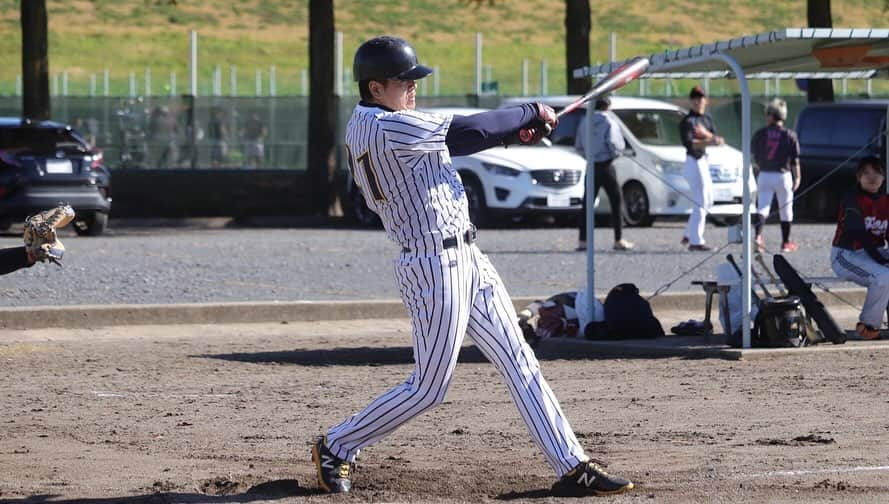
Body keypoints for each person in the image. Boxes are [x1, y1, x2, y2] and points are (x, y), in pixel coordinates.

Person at [311, 35, 634, 497]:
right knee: (429, 388)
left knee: (520, 360)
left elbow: (461, 140)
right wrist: (529, 111)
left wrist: (513, 132)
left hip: (468, 257)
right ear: (375, 87)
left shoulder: (389, 119)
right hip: (430, 264)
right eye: (404, 82)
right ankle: (338, 444)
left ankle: (572, 463)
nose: (413, 88)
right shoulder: (381, 127)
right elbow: (463, 131)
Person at [830, 156, 889, 340]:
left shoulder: (886, 201)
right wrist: (884, 261)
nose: (872, 177)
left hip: (873, 254)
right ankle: (868, 325)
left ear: (884, 177)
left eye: (877, 172)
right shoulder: (851, 198)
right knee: (883, 276)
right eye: (866, 173)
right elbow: (860, 235)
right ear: (858, 177)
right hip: (847, 255)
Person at [574, 96, 634, 251]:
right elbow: (614, 144)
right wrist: (617, 153)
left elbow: (579, 146)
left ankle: (583, 241)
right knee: (616, 200)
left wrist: (589, 154)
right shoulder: (609, 122)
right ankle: (618, 239)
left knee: (587, 204)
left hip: (591, 165)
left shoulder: (584, 122)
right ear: (607, 106)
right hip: (606, 166)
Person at [751, 98, 801, 253]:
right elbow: (795, 160)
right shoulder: (789, 135)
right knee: (786, 209)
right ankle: (785, 243)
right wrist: (797, 177)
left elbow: (755, 155)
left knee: (763, 207)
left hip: (765, 174)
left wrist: (761, 166)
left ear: (771, 115)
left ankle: (758, 236)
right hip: (783, 175)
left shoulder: (760, 134)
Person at [678, 85, 724, 251]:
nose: (698, 101)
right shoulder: (687, 121)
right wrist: (708, 140)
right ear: (691, 101)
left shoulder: (707, 119)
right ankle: (696, 240)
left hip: (704, 161)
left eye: (701, 98)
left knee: (709, 199)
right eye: (695, 98)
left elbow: (718, 140)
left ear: (706, 100)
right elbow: (691, 144)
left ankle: (689, 233)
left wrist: (707, 135)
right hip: (693, 161)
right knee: (701, 201)